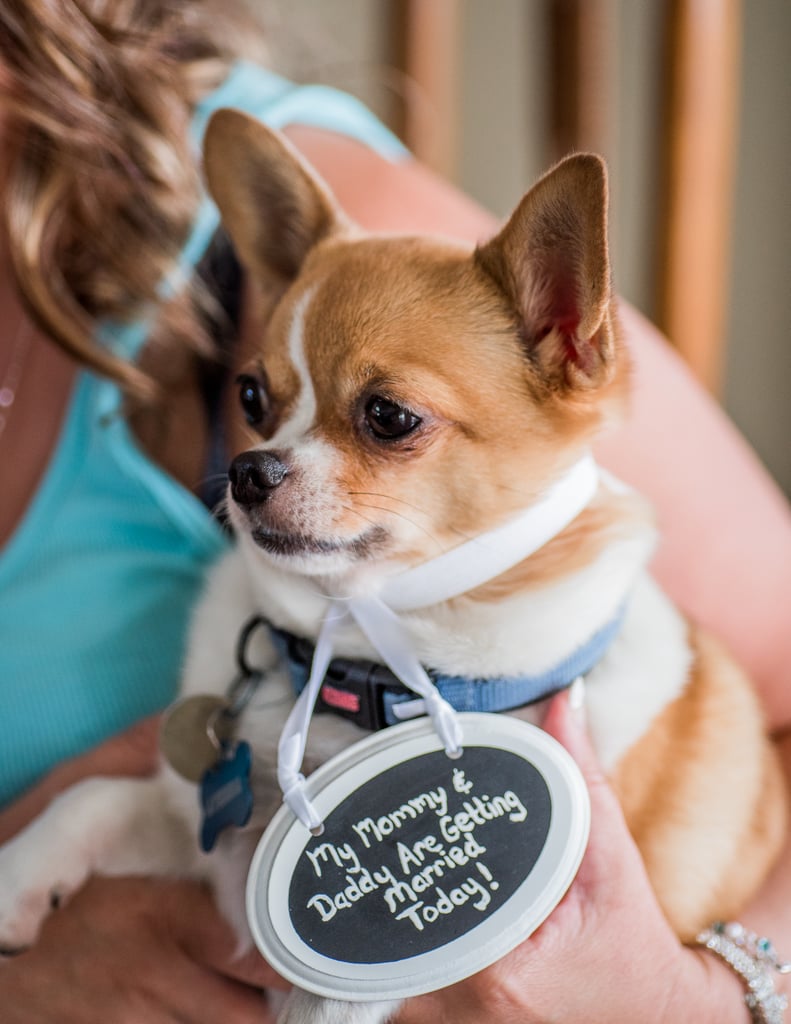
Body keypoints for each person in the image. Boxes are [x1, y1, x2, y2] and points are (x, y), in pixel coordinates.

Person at [0, 2, 789, 1021]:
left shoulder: (386, 261)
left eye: (384, 419)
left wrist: (707, 997)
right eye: (261, 407)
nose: (266, 463)